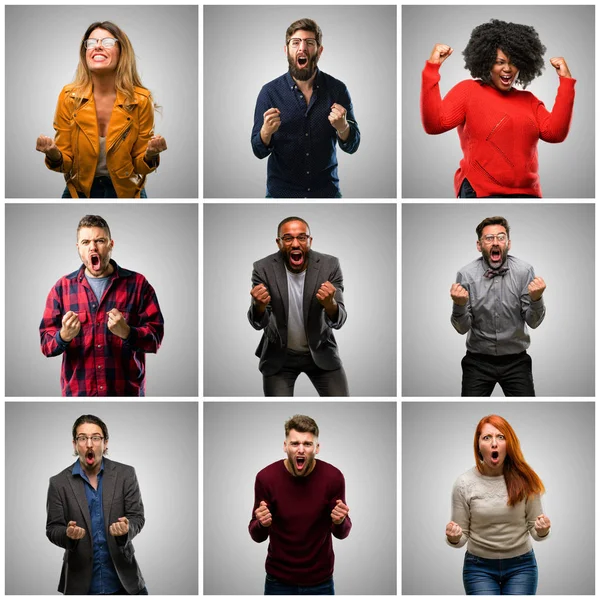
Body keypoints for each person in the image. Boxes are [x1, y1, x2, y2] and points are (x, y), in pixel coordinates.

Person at [421, 19, 575, 198]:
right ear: (486, 62)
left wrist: (566, 82)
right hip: (480, 192)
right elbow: (434, 124)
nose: (507, 69)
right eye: (499, 62)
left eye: (513, 62)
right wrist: (432, 68)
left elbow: (556, 134)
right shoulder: (469, 91)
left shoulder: (529, 100)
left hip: (529, 194)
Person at [36, 21, 167, 198]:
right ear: (85, 53)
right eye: (91, 43)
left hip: (127, 192)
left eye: (107, 42)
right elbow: (65, 164)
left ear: (122, 51)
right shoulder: (68, 96)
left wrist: (151, 154)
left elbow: (139, 166)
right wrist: (53, 152)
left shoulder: (141, 100)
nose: (97, 46)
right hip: (79, 192)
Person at [40, 215, 164, 396]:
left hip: (126, 395)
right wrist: (63, 336)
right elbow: (46, 344)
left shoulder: (138, 284)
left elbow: (155, 338)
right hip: (77, 395)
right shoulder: (62, 288)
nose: (93, 247)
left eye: (100, 240)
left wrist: (127, 332)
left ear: (111, 244)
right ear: (78, 248)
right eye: (85, 242)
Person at [251, 18, 360, 198]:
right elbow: (258, 151)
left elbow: (352, 146)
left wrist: (343, 128)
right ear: (286, 50)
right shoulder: (269, 92)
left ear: (319, 51)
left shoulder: (337, 89)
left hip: (326, 193)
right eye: (296, 43)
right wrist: (265, 132)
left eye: (309, 43)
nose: (302, 48)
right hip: (281, 194)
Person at [446, 414, 551, 595]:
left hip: (522, 567)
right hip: (479, 569)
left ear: (508, 444)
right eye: (487, 437)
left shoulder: (526, 480)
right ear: (479, 446)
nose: (494, 443)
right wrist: (454, 536)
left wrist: (542, 530)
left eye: (500, 437)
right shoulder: (463, 483)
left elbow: (535, 529)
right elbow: (461, 536)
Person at [249, 414, 351, 595]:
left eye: (307, 444)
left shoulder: (333, 477)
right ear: (285, 446)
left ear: (317, 448)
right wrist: (262, 523)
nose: (301, 450)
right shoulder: (266, 478)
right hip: (278, 582)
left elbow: (342, 533)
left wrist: (340, 521)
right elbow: (257, 535)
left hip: (321, 582)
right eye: (295, 443)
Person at [46, 414, 148, 594]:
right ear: (75, 444)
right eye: (82, 438)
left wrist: (126, 529)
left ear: (105, 443)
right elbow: (53, 528)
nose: (89, 444)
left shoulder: (126, 474)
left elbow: (137, 517)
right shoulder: (58, 482)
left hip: (125, 582)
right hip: (80, 584)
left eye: (95, 438)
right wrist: (68, 534)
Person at [248, 216, 349, 396]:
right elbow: (258, 323)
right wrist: (259, 306)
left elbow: (339, 320)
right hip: (279, 357)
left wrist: (330, 304)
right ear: (278, 243)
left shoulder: (330, 265)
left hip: (321, 352)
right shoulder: (262, 268)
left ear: (309, 241)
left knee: (343, 402)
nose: (295, 244)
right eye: (288, 238)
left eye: (302, 237)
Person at [450, 216, 545, 396]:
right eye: (489, 238)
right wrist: (459, 305)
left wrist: (537, 299)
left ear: (508, 243)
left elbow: (533, 322)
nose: (495, 242)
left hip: (517, 362)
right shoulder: (466, 274)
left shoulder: (524, 271)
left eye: (501, 237)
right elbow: (462, 329)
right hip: (477, 362)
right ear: (479, 245)